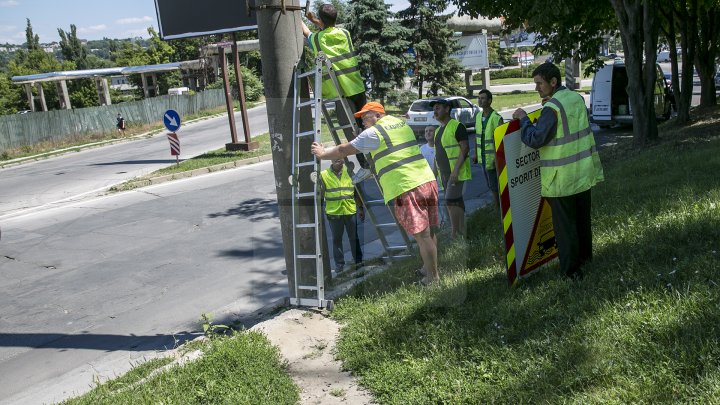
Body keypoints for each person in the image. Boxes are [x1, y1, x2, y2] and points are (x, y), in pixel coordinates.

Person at [311, 102, 440, 285]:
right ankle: (428, 268)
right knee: (430, 230)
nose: (362, 121)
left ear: (378, 115)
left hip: (406, 185)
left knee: (422, 235)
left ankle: (433, 278)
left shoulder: (374, 133)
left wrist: (322, 153)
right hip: (426, 179)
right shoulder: (400, 123)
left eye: (366, 116)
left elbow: (343, 150)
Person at [512, 63, 604, 279]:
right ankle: (585, 259)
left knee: (565, 228)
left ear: (553, 82)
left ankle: (571, 272)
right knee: (582, 221)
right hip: (582, 172)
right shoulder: (575, 98)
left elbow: (535, 139)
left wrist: (524, 120)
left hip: (561, 179)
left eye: (539, 83)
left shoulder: (551, 109)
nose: (537, 88)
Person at [302, 4, 371, 184]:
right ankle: (375, 161)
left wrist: (297, 19)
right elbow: (328, 29)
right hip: (356, 86)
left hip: (341, 91)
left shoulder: (318, 39)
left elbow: (308, 35)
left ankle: (366, 166)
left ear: (322, 21)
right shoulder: (345, 33)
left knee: (351, 132)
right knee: (368, 126)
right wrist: (315, 20)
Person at [431, 98, 471, 239]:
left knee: (450, 201)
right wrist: (433, 176)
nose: (435, 111)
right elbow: (438, 155)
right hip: (444, 174)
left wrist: (455, 171)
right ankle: (462, 230)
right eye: (434, 109)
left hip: (456, 173)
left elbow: (465, 148)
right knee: (457, 201)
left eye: (438, 108)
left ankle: (455, 234)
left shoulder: (457, 126)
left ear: (447, 109)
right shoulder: (438, 131)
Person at [319, 158, 364, 273]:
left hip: (350, 211)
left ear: (343, 161)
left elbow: (356, 192)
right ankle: (339, 264)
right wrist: (319, 212)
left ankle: (358, 261)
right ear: (331, 160)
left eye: (340, 159)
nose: (338, 161)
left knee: (354, 238)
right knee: (337, 239)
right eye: (335, 158)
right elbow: (321, 195)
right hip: (334, 213)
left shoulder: (349, 172)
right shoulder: (324, 175)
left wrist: (361, 208)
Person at [474, 89, 504, 208]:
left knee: (495, 184)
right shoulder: (478, 116)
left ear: (490, 101)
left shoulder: (496, 118)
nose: (479, 100)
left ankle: (499, 207)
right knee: (489, 184)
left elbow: (501, 142)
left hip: (493, 158)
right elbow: (477, 137)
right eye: (479, 98)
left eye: (482, 98)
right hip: (482, 157)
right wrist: (476, 154)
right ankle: (496, 205)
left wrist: (497, 158)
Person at [419, 125, 448, 225]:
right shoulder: (421, 149)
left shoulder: (441, 147)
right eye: (426, 131)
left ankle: (449, 226)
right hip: (430, 186)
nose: (428, 133)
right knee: (435, 210)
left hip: (443, 184)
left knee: (446, 207)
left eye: (431, 131)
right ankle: (441, 227)